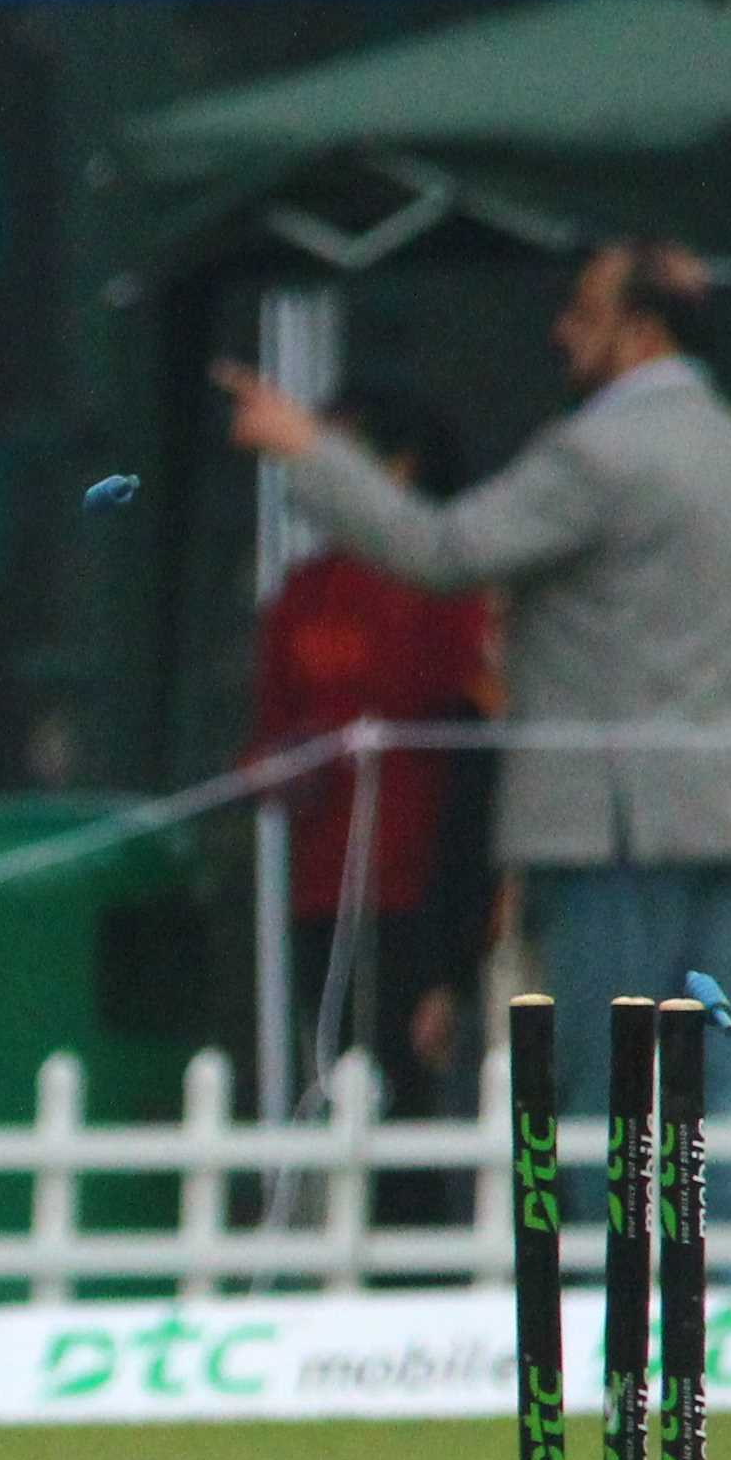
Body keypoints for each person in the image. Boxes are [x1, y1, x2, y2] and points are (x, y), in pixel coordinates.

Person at [219, 241, 731, 1167]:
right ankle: (723, 1259)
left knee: (606, 1081)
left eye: (584, 313)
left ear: (641, 331)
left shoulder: (594, 456)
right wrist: (723, 739)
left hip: (610, 832)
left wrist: (310, 450)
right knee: (721, 1078)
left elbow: (440, 550)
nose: (561, 333)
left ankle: (613, 1261)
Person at [247, 381, 496, 1119]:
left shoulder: (452, 593)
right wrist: (279, 769)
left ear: (398, 469)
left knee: (427, 1098)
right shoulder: (300, 595)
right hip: (323, 889)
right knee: (340, 1089)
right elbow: (267, 734)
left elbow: (478, 748)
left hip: (429, 893)